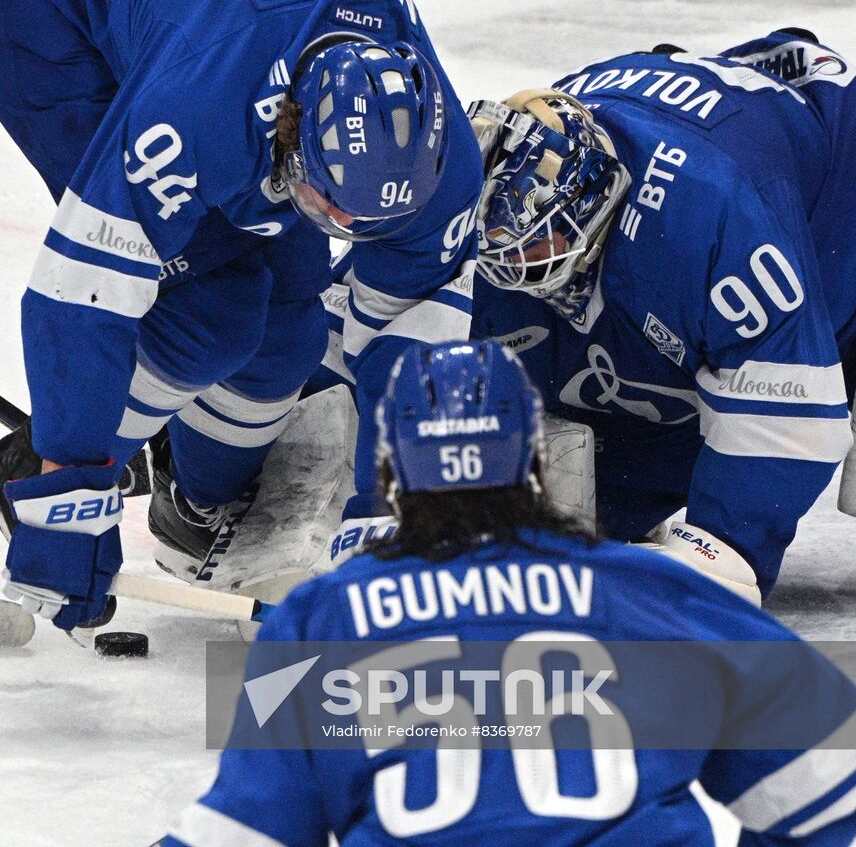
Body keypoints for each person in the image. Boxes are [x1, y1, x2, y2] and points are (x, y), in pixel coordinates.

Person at [165, 340, 856, 845]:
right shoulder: (656, 592)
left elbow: (242, 831)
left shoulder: (320, 621)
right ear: (532, 460)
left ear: (390, 472)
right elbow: (824, 781)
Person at [0, 0, 483, 631]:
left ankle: (199, 501)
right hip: (58, 25)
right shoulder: (192, 114)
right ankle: (30, 463)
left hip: (215, 23)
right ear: (290, 125)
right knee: (212, 316)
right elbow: (81, 294)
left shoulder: (443, 165)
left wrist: (387, 511)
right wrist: (66, 493)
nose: (343, 233)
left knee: (289, 335)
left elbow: (408, 337)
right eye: (327, 206)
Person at [466, 30, 856, 601]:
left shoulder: (705, 212)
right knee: (600, 499)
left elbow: (795, 414)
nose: (510, 261)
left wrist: (721, 547)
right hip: (696, 117)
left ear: (593, 194)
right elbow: (365, 318)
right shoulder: (491, 189)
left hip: (833, 191)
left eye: (533, 239)